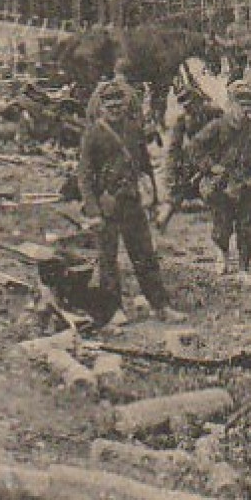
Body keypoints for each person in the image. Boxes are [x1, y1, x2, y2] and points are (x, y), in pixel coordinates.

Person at [78, 83, 183, 322]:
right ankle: (113, 310)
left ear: (125, 105)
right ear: (102, 107)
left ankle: (160, 306)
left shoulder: (134, 129)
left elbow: (145, 165)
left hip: (132, 201)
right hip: (107, 206)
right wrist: (93, 210)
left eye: (118, 103)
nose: (115, 108)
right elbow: (84, 175)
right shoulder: (94, 133)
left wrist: (154, 198)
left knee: (145, 255)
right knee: (108, 259)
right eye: (109, 104)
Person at [192, 80, 251, 282]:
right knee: (222, 226)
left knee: (248, 227)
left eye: (248, 103)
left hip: (248, 182)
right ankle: (222, 255)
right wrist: (210, 166)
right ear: (230, 103)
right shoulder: (217, 126)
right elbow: (196, 147)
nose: (245, 108)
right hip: (223, 184)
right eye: (240, 103)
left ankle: (243, 269)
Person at [159, 83, 222, 227]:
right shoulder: (181, 121)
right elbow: (173, 151)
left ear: (200, 101)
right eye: (186, 107)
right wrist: (171, 181)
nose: (190, 110)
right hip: (195, 162)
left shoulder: (215, 114)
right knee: (183, 184)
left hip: (216, 158)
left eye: (193, 105)